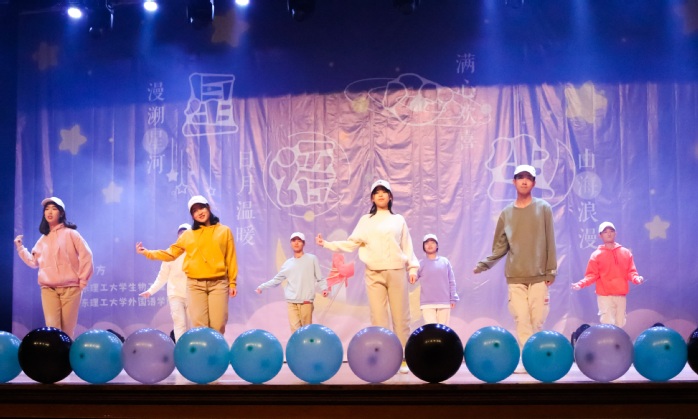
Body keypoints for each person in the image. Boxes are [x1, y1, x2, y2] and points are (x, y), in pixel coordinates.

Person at [316, 179, 419, 374]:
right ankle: (385, 358)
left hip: (396, 271)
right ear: (372, 198)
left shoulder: (398, 220)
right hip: (373, 273)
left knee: (401, 317)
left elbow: (407, 246)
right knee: (378, 318)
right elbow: (351, 243)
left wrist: (412, 268)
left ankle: (404, 358)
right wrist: (327, 244)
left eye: (384, 191)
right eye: (376, 192)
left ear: (390, 196)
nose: (380, 195)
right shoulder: (366, 221)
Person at [473, 164, 557, 371]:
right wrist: (485, 264)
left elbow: (550, 240)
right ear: (514, 182)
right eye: (520, 177)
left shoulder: (543, 208)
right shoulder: (506, 213)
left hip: (539, 275)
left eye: (528, 178)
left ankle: (538, 358)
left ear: (534, 183)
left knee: (537, 320)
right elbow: (501, 246)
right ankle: (529, 361)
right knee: (522, 319)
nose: (524, 181)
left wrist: (551, 270)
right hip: (516, 276)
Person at [136, 195, 238, 335]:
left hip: (219, 283)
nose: (199, 212)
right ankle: (202, 350)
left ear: (208, 208)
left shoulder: (224, 231)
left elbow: (230, 257)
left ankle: (216, 349)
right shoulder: (188, 235)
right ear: (192, 216)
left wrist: (232, 283)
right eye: (194, 211)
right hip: (195, 285)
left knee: (218, 325)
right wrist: (147, 252)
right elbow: (170, 254)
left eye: (201, 208)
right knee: (200, 328)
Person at [14, 197, 94, 339]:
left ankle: (66, 354)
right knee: (52, 330)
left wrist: (82, 281)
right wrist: (20, 248)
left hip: (71, 289)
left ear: (61, 213)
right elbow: (33, 262)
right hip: (48, 289)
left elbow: (86, 255)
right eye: (47, 209)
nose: (49, 212)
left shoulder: (71, 234)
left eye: (54, 209)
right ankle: (55, 354)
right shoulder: (43, 240)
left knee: (67, 331)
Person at [571, 221, 645, 328]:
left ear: (616, 233)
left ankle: (617, 339)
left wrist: (636, 279)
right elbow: (591, 275)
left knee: (620, 324)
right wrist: (580, 284)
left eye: (611, 231)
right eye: (605, 232)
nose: (609, 234)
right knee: (608, 324)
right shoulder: (596, 255)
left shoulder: (625, 253)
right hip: (605, 296)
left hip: (621, 295)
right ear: (600, 235)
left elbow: (631, 272)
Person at [255, 232, 329, 332]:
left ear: (304, 243)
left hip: (306, 301)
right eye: (294, 241)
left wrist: (324, 288)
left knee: (306, 331)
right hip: (292, 302)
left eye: (299, 241)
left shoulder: (312, 259)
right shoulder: (287, 264)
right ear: (290, 243)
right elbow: (276, 280)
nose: (296, 243)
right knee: (295, 331)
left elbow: (320, 277)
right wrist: (262, 287)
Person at [139, 223, 192, 341]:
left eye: (186, 233)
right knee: (179, 323)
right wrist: (150, 291)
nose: (182, 236)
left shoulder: (195, 253)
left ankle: (190, 349)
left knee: (191, 326)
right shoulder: (170, 253)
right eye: (180, 233)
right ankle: (181, 349)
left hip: (192, 294)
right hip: (175, 294)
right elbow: (162, 276)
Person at [416, 234, 459, 326]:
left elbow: (451, 281)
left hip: (444, 302)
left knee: (443, 330)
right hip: (427, 303)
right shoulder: (420, 264)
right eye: (426, 243)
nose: (429, 245)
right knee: (431, 329)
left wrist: (453, 298)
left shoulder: (445, 262)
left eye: (432, 242)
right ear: (423, 246)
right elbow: (411, 279)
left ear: (437, 245)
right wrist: (410, 268)